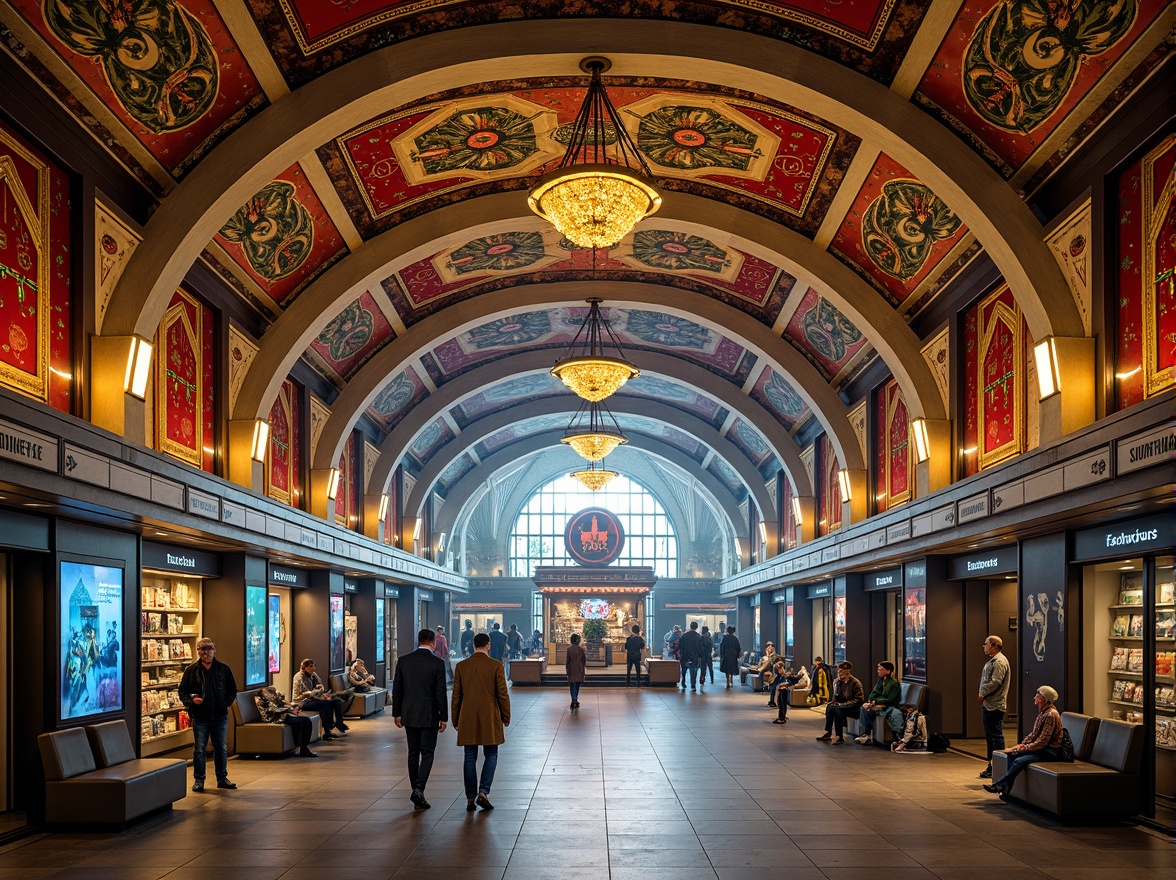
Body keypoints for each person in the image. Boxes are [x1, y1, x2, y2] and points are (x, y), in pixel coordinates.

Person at [452, 632, 511, 811]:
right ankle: (483, 791)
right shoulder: (496, 666)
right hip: (489, 715)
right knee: (491, 754)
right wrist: (506, 715)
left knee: (470, 756)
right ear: (488, 645)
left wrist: (455, 718)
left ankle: (470, 798)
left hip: (468, 716)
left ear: (473, 645)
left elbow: (456, 696)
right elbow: (502, 694)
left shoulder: (462, 666)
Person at [392, 628, 448, 809]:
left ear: (419, 640)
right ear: (432, 642)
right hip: (429, 714)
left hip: (409, 713)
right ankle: (419, 789)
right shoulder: (437, 663)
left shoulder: (404, 661)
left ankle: (416, 790)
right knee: (428, 752)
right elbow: (440, 692)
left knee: (413, 752)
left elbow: (397, 689)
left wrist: (397, 713)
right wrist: (444, 716)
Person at [179, 637, 238, 792]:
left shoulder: (223, 669)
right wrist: (191, 701)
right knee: (199, 749)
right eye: (201, 649)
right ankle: (199, 780)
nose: (205, 652)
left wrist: (225, 703)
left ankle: (222, 778)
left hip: (219, 716)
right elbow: (182, 691)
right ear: (198, 651)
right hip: (200, 717)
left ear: (214, 650)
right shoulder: (191, 670)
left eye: (208, 648)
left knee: (221, 748)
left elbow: (233, 689)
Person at [984, 685, 1064, 798]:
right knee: (1013, 755)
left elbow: (1043, 741)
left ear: (1045, 700)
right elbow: (1034, 734)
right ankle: (1006, 790)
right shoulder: (1043, 713)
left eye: (1038, 696)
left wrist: (1026, 748)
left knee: (1020, 760)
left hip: (1049, 751)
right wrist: (1023, 744)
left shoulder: (1051, 715)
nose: (1035, 698)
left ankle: (1001, 785)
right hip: (1040, 749)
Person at [977, 635, 1011, 779]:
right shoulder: (993, 661)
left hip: (995, 705)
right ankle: (992, 766)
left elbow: (996, 682)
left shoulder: (999, 662)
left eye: (986, 644)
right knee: (991, 737)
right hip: (989, 704)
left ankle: (1000, 767)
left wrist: (982, 692)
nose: (984, 646)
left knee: (996, 738)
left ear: (994, 646)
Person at [293, 658, 349, 739]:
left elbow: (320, 685)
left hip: (313, 698)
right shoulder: (299, 676)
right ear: (304, 667)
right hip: (303, 702)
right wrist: (320, 697)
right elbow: (307, 693)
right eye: (310, 666)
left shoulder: (312, 674)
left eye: (314, 666)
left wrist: (323, 694)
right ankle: (328, 729)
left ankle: (339, 723)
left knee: (336, 701)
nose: (313, 668)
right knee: (325, 704)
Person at [254, 686, 317, 757]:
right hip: (273, 718)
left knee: (306, 720)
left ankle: (304, 747)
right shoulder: (262, 699)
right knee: (299, 721)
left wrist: (292, 707)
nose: (275, 695)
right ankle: (302, 747)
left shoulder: (270, 696)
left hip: (282, 715)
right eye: (273, 693)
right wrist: (289, 710)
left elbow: (281, 704)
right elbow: (274, 710)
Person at [854, 661, 903, 745]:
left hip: (889, 707)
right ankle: (867, 734)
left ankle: (869, 734)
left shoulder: (894, 683)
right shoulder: (881, 681)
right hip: (878, 704)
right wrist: (871, 702)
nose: (879, 671)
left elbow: (890, 699)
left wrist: (875, 702)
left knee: (870, 708)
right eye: (878, 669)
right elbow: (873, 694)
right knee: (864, 708)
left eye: (881, 669)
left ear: (888, 671)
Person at [815, 661, 864, 744]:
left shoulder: (855, 683)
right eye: (840, 669)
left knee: (838, 710)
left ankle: (839, 736)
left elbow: (858, 700)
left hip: (853, 707)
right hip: (842, 705)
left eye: (843, 669)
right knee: (830, 707)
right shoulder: (839, 682)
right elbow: (836, 697)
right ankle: (828, 732)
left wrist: (842, 704)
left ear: (848, 670)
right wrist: (836, 685)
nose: (840, 671)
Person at [678, 621, 703, 691]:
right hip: (694, 656)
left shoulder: (684, 635)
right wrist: (700, 655)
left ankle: (683, 681)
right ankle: (693, 685)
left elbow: (680, 646)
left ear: (690, 626)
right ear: (696, 627)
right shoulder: (698, 636)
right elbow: (700, 647)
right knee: (693, 671)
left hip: (685, 655)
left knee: (684, 670)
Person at [566, 632, 586, 709]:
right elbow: (584, 660)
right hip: (579, 669)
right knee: (577, 685)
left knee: (572, 685)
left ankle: (573, 699)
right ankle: (575, 699)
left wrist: (567, 670)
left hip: (572, 669)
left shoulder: (569, 649)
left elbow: (568, 661)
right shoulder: (581, 649)